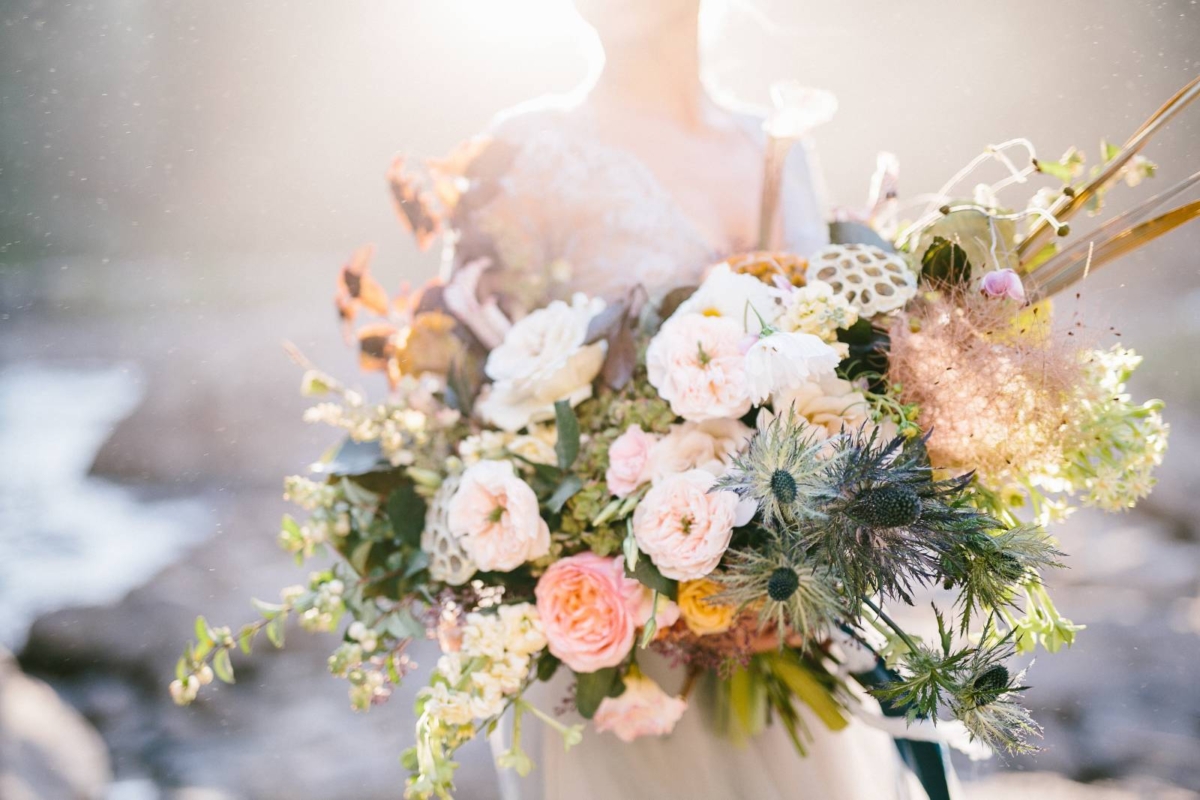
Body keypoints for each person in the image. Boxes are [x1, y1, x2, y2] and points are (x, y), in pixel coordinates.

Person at [446, 1, 944, 797]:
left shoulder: (776, 145)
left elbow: (840, 358)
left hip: (780, 614)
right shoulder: (527, 151)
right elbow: (466, 390)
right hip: (615, 633)